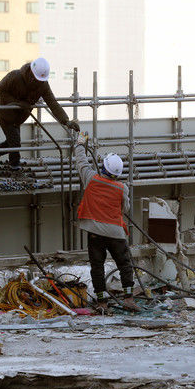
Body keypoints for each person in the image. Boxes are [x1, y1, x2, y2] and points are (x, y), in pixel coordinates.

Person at [73, 132, 141, 314]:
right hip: (116, 233)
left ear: (104, 168)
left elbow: (81, 161)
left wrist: (80, 142)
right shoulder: (122, 188)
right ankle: (128, 299)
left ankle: (102, 302)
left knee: (97, 266)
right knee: (124, 264)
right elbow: (125, 209)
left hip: (95, 232)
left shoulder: (91, 178)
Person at [0, 57, 80, 175]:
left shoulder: (43, 84)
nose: (39, 82)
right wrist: (16, 103)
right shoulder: (15, 76)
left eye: (41, 80)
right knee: (14, 141)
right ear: (31, 74)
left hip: (18, 116)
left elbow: (52, 102)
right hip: (4, 111)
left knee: (12, 141)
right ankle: (14, 169)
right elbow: (0, 88)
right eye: (37, 79)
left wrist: (66, 121)